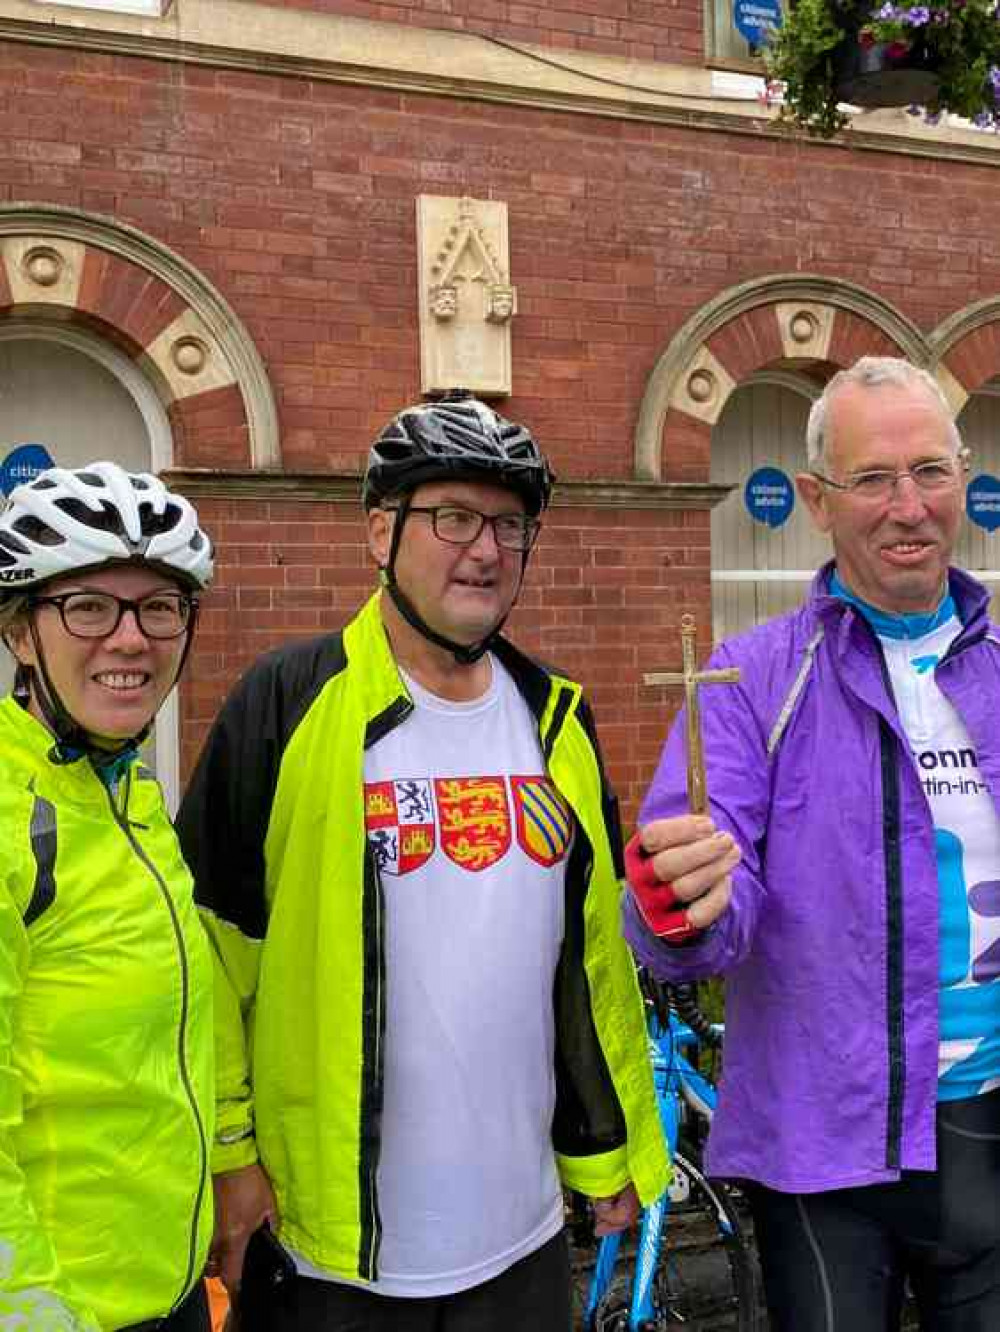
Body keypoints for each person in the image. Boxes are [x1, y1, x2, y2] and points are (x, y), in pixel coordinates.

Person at [177, 390, 669, 1330]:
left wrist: (610, 1155)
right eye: (450, 516)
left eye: (510, 525)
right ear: (379, 531)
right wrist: (231, 1155)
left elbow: (590, 968)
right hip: (336, 1253)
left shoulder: (557, 716)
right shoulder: (285, 701)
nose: (484, 548)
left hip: (522, 1239)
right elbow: (213, 958)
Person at [624, 355, 1000, 1331]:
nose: (906, 506)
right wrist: (676, 901)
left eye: (928, 472)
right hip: (822, 1142)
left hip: (986, 1121)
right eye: (871, 479)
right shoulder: (751, 681)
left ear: (962, 478)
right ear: (815, 502)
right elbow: (703, 916)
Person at [0, 462, 215, 1330]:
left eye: (158, 608)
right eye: (88, 606)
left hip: (172, 1290)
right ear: (20, 632)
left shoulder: (132, 798)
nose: (131, 639)